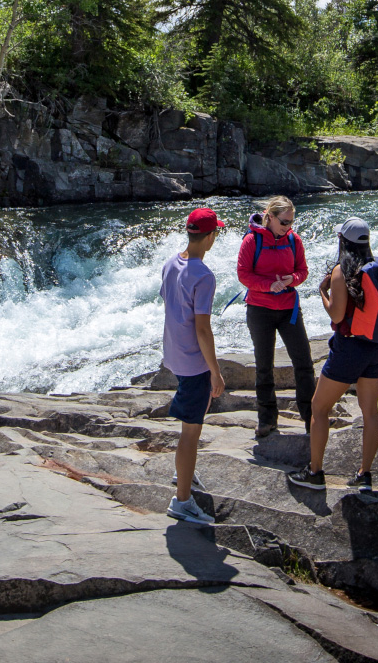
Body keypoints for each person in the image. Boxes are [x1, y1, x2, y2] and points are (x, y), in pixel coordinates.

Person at [289, 217, 378, 495]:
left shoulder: (342, 272)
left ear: (342, 241)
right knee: (370, 411)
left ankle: (314, 473)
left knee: (319, 408)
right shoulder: (376, 269)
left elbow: (337, 315)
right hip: (376, 347)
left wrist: (323, 292)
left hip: (349, 349)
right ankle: (364, 475)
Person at [161, 206, 228, 525]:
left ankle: (185, 473)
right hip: (193, 363)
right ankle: (182, 500)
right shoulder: (204, 275)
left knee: (190, 427)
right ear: (210, 237)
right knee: (191, 432)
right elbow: (202, 329)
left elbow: (171, 307)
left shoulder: (171, 263)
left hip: (174, 355)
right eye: (217, 233)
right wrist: (214, 370)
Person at [236, 195, 315, 440]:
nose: (288, 227)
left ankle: (311, 418)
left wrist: (294, 279)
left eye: (291, 222)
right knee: (264, 366)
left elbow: (303, 271)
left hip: (288, 309)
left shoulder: (294, 240)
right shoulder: (251, 241)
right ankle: (266, 419)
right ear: (269, 217)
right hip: (260, 309)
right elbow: (243, 275)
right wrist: (268, 286)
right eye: (284, 222)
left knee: (303, 363)